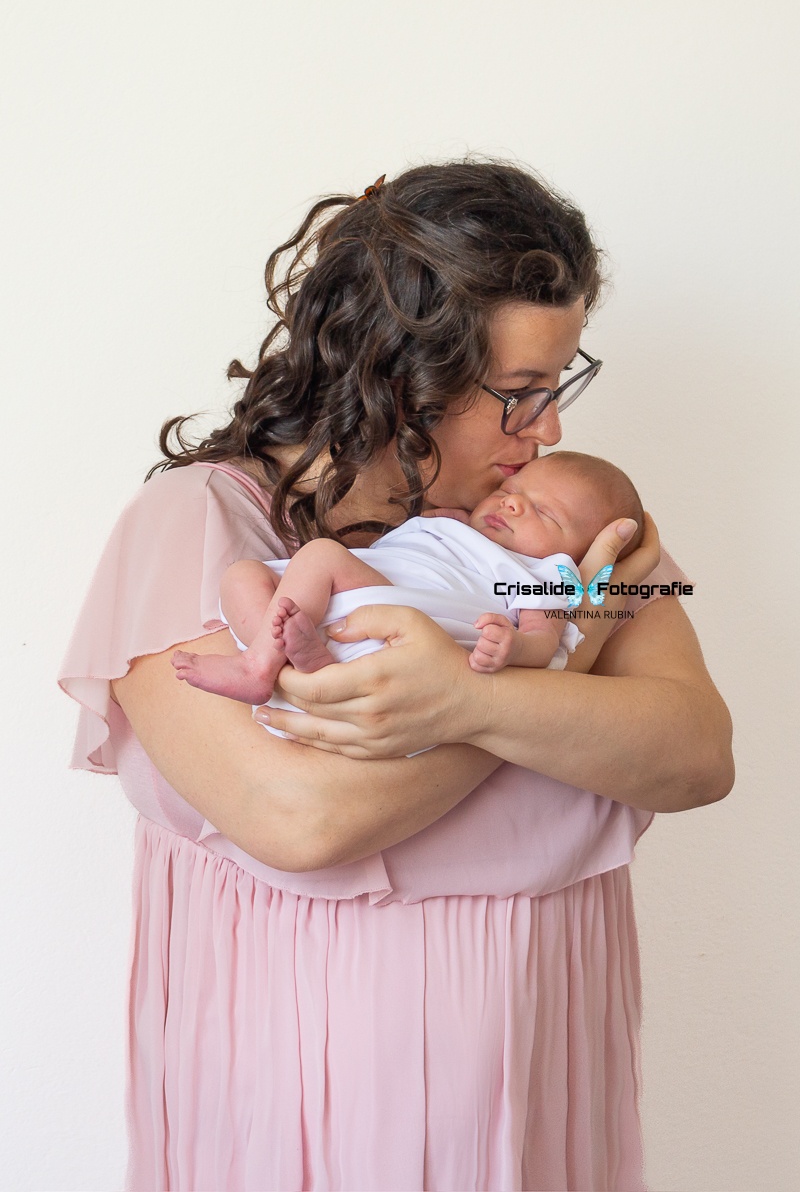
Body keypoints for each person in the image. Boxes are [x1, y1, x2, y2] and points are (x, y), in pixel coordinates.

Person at [58, 159, 734, 1192]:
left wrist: (474, 696)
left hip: (540, 1071)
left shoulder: (558, 527)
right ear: (395, 370)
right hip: (298, 1090)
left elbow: (695, 753)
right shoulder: (195, 529)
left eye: (559, 386)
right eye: (518, 395)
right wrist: (575, 658)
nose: (547, 429)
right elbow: (300, 819)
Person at [170, 450, 644, 705]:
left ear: (574, 553)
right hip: (342, 603)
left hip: (407, 619)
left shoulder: (542, 573)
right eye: (509, 489)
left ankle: (258, 668)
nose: (511, 503)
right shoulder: (456, 519)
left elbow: (546, 643)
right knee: (241, 575)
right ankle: (288, 660)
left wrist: (514, 647)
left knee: (318, 555)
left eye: (543, 511)